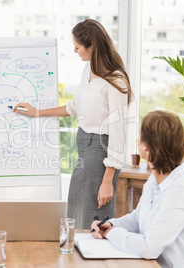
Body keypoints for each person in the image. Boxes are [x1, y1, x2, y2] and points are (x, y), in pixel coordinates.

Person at [14, 19, 132, 229]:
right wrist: (37, 112)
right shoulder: (88, 70)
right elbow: (75, 108)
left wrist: (107, 181)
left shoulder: (116, 79)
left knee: (94, 221)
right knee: (76, 218)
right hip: (84, 151)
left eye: (77, 46)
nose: (75, 50)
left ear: (92, 47)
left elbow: (117, 132)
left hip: (100, 155)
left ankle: (93, 262)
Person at [91, 110, 184, 267]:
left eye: (140, 136)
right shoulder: (155, 179)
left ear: (146, 148)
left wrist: (112, 233)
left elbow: (148, 248)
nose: (137, 139)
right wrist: (110, 225)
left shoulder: (179, 191)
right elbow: (137, 218)